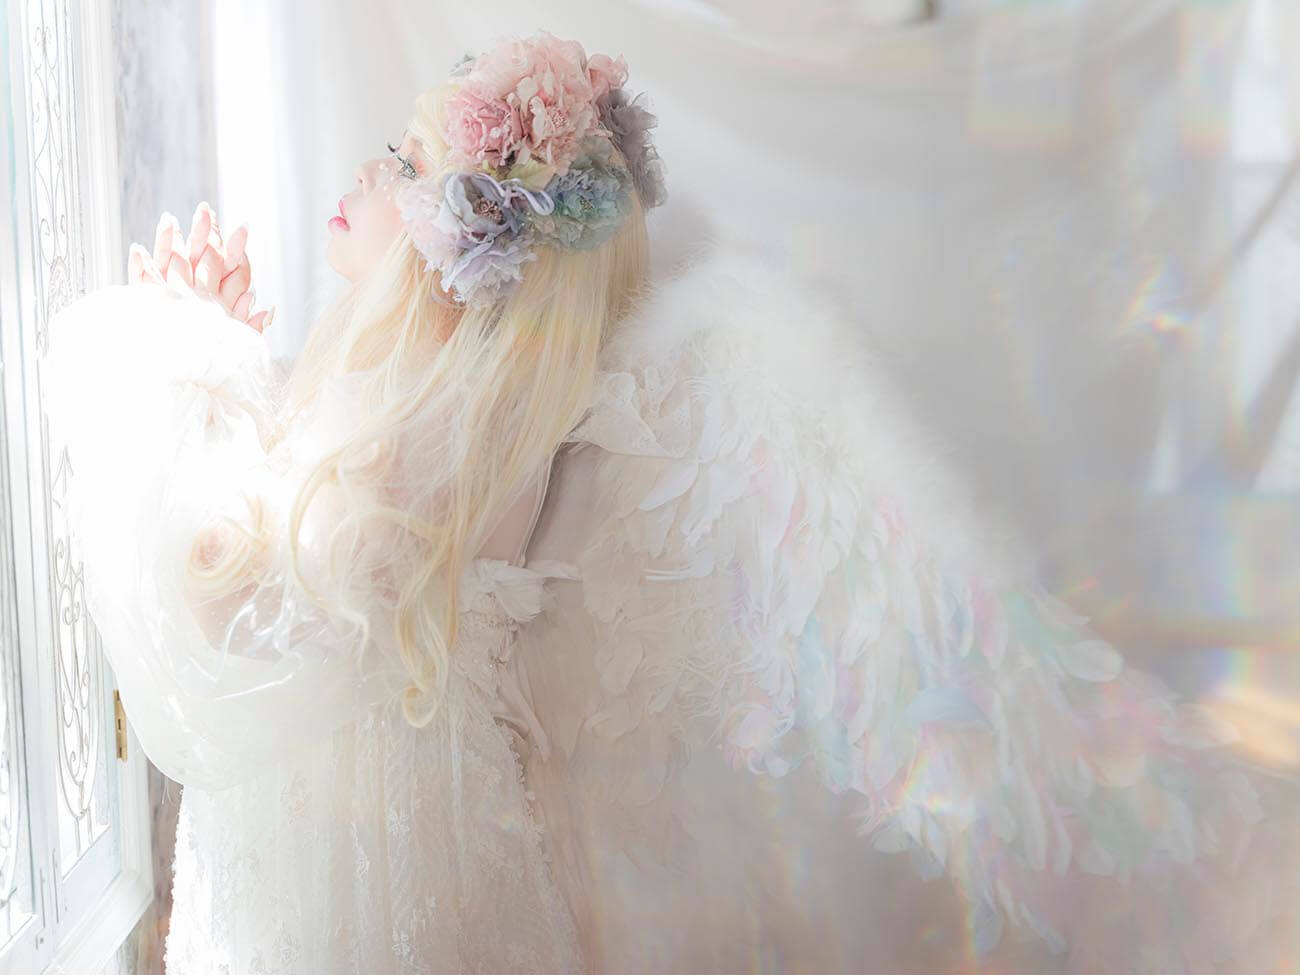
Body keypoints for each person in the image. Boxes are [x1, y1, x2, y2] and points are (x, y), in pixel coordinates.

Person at [42, 28, 1300, 974]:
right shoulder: (404, 423)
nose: (365, 178)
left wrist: (173, 361)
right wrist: (231, 379)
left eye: (403, 164)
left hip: (377, 898)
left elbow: (226, 615)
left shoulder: (433, 459)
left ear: (456, 247)